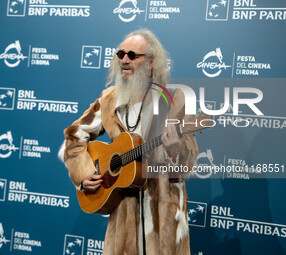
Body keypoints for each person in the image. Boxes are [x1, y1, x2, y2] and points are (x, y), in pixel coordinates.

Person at [59, 29, 198, 255]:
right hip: (123, 216)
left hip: (164, 216)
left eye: (133, 55)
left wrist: (175, 149)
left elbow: (189, 158)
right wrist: (83, 174)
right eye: (121, 54)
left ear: (151, 62)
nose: (124, 60)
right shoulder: (109, 99)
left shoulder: (172, 99)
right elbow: (74, 136)